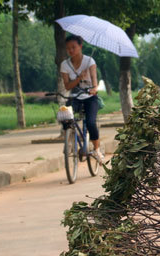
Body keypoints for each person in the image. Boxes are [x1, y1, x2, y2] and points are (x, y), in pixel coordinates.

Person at [60, 34, 104, 164]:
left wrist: (94, 89)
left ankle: (97, 150)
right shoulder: (65, 65)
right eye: (68, 48)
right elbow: (67, 86)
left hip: (90, 98)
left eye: (74, 47)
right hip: (75, 97)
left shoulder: (89, 61)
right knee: (65, 118)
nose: (71, 50)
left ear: (80, 46)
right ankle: (71, 138)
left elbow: (95, 83)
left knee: (90, 123)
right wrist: (79, 78)